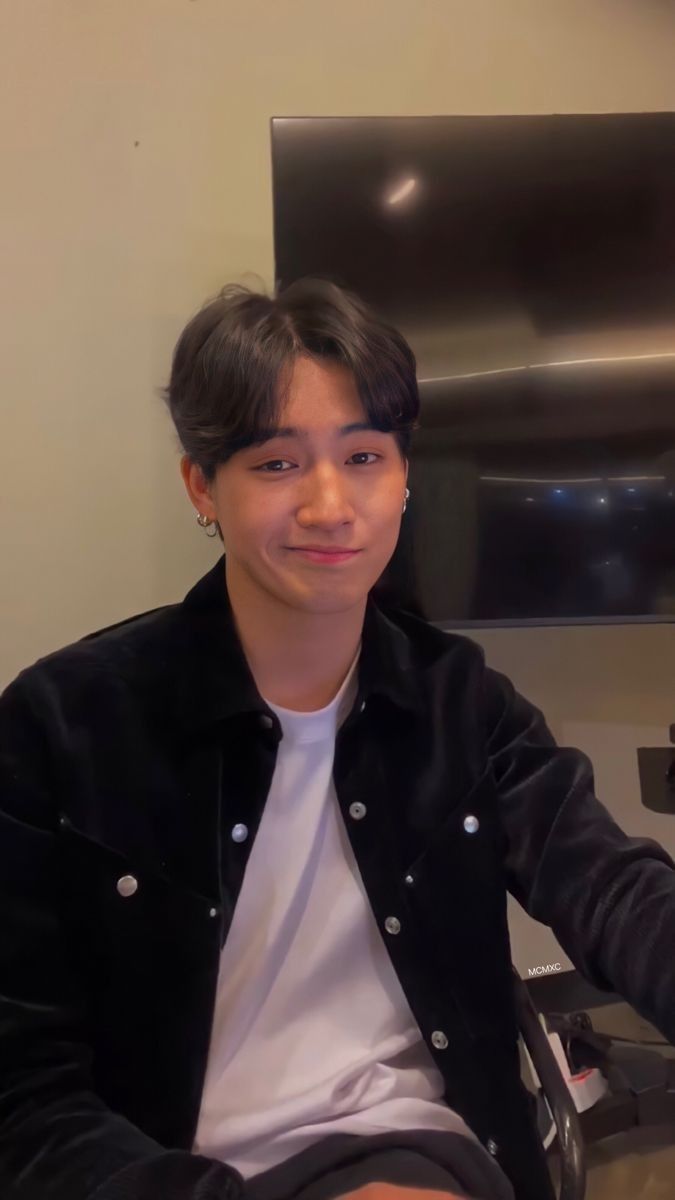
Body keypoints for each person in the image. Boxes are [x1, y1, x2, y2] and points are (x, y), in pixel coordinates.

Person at [1, 281, 674, 1200]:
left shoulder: (460, 703)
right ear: (202, 484)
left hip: (416, 1155)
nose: (330, 504)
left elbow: (610, 887)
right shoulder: (64, 725)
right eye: (277, 464)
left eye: (362, 455)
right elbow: (23, 1095)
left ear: (403, 478)